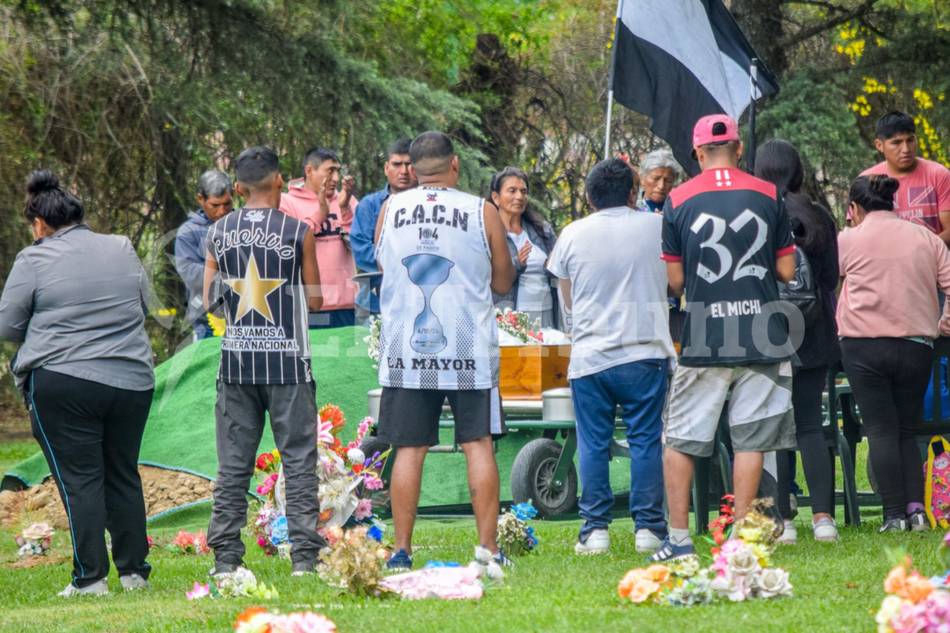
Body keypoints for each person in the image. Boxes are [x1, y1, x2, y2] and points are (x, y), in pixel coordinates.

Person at [0, 170, 155, 597]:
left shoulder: (33, 259)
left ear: (38, 224)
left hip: (64, 382)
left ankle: (90, 579)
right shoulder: (122, 246)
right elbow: (143, 304)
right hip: (132, 380)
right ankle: (134, 572)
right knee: (123, 473)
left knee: (81, 479)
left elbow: (8, 326)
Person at [655, 114, 797, 562]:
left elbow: (674, 281)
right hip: (762, 329)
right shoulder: (770, 194)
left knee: (680, 438)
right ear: (738, 150)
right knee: (751, 439)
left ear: (698, 154)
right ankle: (739, 542)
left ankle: (678, 541)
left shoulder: (677, 200)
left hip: (705, 332)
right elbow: (788, 270)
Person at [373, 131, 515, 569]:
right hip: (469, 348)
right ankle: (488, 549)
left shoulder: (388, 209)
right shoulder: (481, 209)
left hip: (405, 352)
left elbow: (382, 265)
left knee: (409, 448)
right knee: (478, 444)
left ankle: (401, 549)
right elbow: (503, 282)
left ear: (412, 171)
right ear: (455, 165)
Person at [203, 146, 325, 576]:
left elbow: (208, 302)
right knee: (298, 460)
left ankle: (226, 559)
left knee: (233, 465)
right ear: (280, 180)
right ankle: (305, 558)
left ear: (237, 188)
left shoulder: (217, 233)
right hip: (289, 365)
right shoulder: (299, 231)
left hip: (236, 367)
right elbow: (317, 300)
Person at [546, 158, 675, 555]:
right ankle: (649, 528)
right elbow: (674, 282)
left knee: (593, 442)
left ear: (587, 196)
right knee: (645, 440)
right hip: (645, 351)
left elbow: (566, 299)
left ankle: (595, 528)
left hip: (590, 356)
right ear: (634, 192)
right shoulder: (657, 227)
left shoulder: (571, 234)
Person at [838, 174, 950, 532]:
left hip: (863, 346)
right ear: (893, 204)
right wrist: (943, 322)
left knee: (881, 431)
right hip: (917, 345)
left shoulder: (849, 239)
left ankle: (893, 515)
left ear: (853, 209)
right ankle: (917, 511)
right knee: (906, 428)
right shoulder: (925, 238)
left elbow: (827, 282)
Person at [755, 139, 841, 543]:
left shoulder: (757, 213)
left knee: (777, 426)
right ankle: (824, 517)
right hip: (816, 330)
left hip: (769, 330)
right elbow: (830, 278)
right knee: (810, 425)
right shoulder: (819, 216)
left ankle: (785, 519)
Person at [280, 147, 359, 328]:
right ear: (309, 171)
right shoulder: (287, 202)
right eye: (330, 171)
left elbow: (358, 245)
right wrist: (320, 214)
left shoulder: (348, 200)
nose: (336, 179)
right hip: (309, 305)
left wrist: (345, 209)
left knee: (346, 356)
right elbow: (288, 245)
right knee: (315, 356)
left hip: (347, 304)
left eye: (338, 171)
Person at [350, 138, 416, 323]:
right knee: (367, 353)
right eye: (397, 164)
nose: (403, 171)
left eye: (409, 165)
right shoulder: (369, 205)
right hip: (373, 303)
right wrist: (407, 265)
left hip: (417, 302)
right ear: (387, 168)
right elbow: (362, 253)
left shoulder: (427, 206)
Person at [861, 111, 950, 242]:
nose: (906, 149)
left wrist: (922, 253)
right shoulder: (867, 180)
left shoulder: (939, 175)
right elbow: (858, 233)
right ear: (879, 145)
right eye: (896, 143)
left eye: (910, 140)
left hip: (932, 260)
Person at [490, 166, 560, 328]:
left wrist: (550, 264)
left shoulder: (542, 230)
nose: (519, 196)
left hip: (545, 312)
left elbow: (559, 267)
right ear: (496, 197)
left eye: (523, 191)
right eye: (512, 191)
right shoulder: (489, 232)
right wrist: (516, 263)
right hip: (508, 316)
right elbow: (487, 276)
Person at [175, 170, 234, 340]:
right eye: (215, 205)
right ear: (200, 199)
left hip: (244, 317)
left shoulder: (242, 225)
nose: (222, 210)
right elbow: (190, 273)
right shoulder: (188, 232)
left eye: (227, 203)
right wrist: (231, 276)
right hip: (206, 320)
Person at [637, 148, 682, 213]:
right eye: (655, 179)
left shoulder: (678, 210)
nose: (661, 186)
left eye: (668, 180)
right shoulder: (632, 208)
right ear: (642, 179)